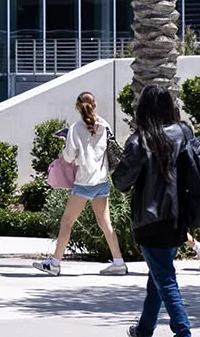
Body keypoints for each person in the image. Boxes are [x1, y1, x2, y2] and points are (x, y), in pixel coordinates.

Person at [112, 85, 196, 337]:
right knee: (158, 275)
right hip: (178, 217)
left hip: (149, 220)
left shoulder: (139, 140)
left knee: (165, 278)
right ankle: (144, 329)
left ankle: (183, 332)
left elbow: (121, 182)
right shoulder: (184, 132)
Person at [34, 90, 130, 277]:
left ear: (77, 107)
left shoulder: (75, 128)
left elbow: (69, 156)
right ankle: (118, 262)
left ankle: (55, 263)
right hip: (102, 180)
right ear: (94, 106)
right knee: (105, 222)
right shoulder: (104, 125)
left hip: (84, 182)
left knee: (67, 222)